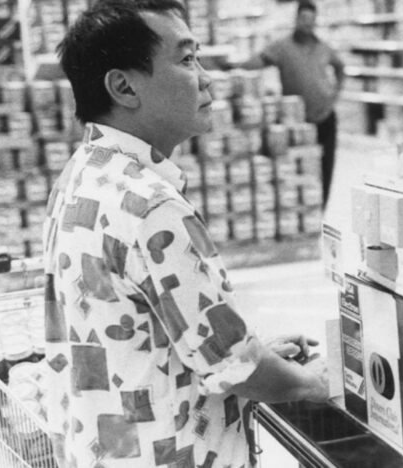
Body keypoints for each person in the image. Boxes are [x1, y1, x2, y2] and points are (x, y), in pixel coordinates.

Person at [44, 1, 328, 466]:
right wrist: (314, 382)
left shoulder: (81, 175)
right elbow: (237, 370)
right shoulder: (151, 208)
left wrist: (251, 353)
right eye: (187, 59)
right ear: (124, 87)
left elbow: (147, 331)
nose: (206, 77)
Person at [242, 1, 344, 208]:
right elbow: (257, 62)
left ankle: (320, 211)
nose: (307, 23)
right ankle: (301, 212)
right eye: (304, 18)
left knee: (325, 169)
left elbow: (340, 66)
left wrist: (335, 94)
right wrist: (233, 67)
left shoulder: (323, 47)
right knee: (299, 171)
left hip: (325, 117)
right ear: (296, 19)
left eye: (311, 19)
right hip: (297, 122)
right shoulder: (282, 47)